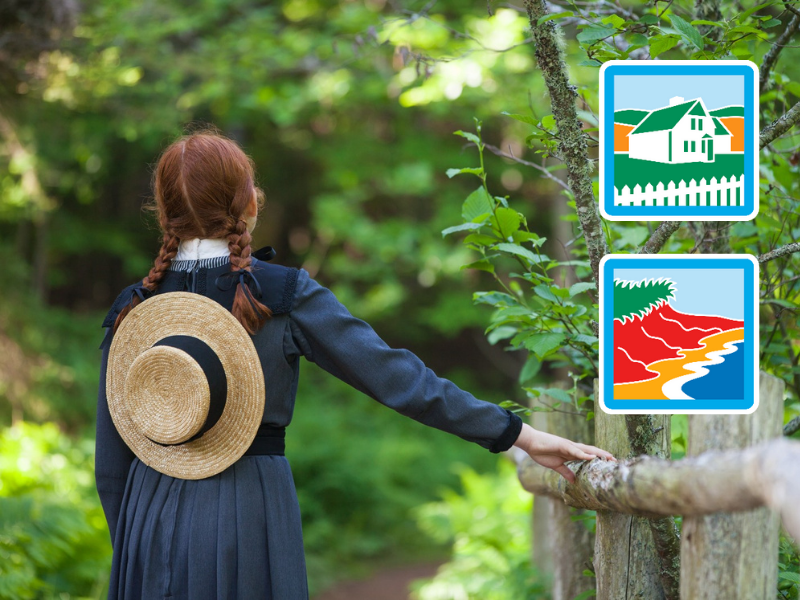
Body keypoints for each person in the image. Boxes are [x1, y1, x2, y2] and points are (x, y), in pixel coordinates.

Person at [94, 128, 615, 600]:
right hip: (248, 509)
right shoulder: (282, 294)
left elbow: (110, 465)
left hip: (147, 511)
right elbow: (400, 380)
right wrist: (517, 434)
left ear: (164, 213)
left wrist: (137, 546)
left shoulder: (133, 309)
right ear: (247, 205)